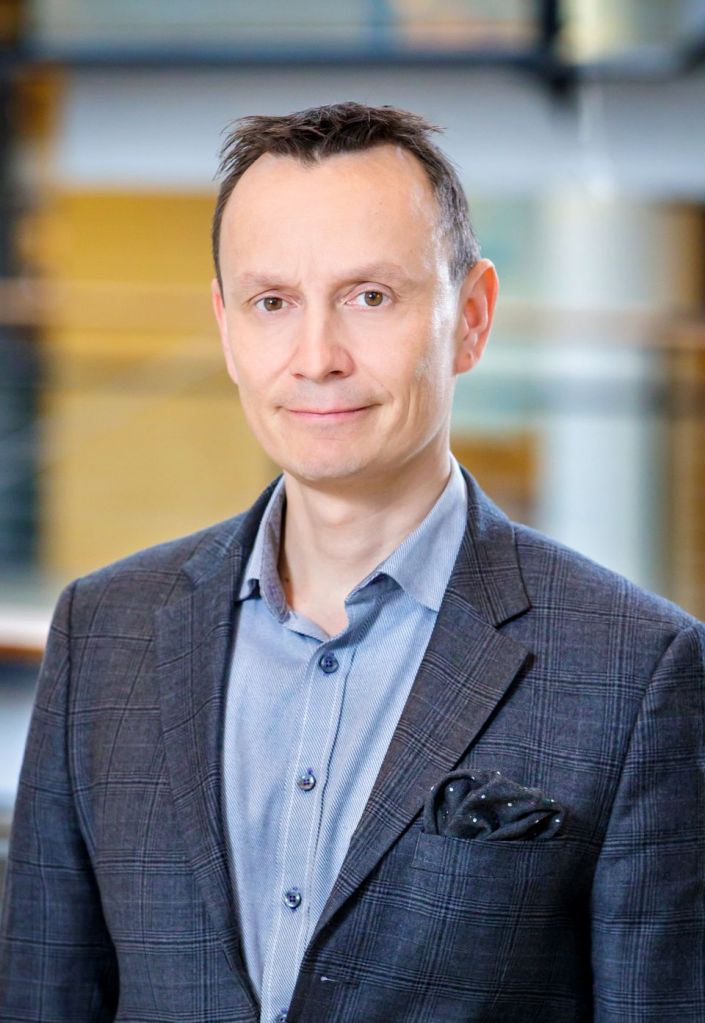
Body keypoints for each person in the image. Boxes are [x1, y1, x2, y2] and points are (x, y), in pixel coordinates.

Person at [0, 101, 703, 1023]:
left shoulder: (635, 669)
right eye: (272, 303)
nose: (316, 357)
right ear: (225, 326)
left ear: (471, 318)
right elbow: (43, 994)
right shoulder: (104, 630)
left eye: (369, 296)